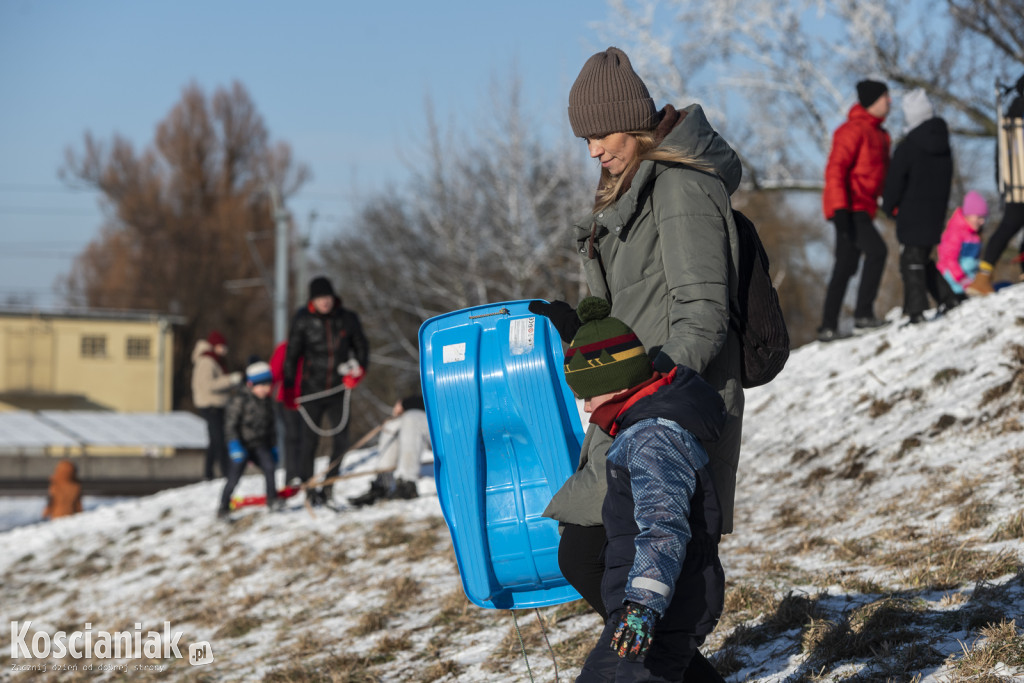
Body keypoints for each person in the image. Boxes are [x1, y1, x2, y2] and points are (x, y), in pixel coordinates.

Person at [531, 46, 744, 621]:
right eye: (585, 140)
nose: (594, 149)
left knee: (607, 565)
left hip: (666, 406)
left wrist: (640, 388)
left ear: (633, 121)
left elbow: (702, 312)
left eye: (602, 133)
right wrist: (586, 335)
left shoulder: (680, 188)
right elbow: (638, 302)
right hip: (633, 402)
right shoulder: (629, 189)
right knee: (606, 566)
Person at [563, 298, 726, 682]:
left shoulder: (652, 438)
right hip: (639, 604)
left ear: (615, 383)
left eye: (589, 394)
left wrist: (644, 606)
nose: (587, 408)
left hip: (664, 605)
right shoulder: (638, 431)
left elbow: (663, 528)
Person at [283, 276, 370, 507]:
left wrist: (358, 372)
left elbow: (362, 347)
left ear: (334, 297)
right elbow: (291, 355)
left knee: (342, 440)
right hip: (311, 390)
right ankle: (310, 489)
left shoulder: (347, 319)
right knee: (308, 442)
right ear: (313, 300)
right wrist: (289, 388)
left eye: (328, 297)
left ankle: (328, 486)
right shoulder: (302, 321)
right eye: (320, 298)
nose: (325, 302)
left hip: (339, 390)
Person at [818, 79, 892, 340]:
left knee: (846, 265)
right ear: (872, 100)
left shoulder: (881, 135)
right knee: (877, 251)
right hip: (849, 208)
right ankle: (861, 315)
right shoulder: (851, 131)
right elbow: (836, 169)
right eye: (885, 97)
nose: (889, 101)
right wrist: (839, 210)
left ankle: (828, 325)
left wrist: (892, 205)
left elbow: (883, 178)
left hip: (864, 207)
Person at [881, 88, 961, 324]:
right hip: (935, 210)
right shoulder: (943, 143)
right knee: (922, 258)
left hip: (912, 211)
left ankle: (916, 311)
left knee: (911, 261)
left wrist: (888, 204)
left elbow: (895, 180)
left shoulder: (908, 146)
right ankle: (948, 297)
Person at [972, 74, 1024, 294]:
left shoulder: (1010, 114)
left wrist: (1001, 182)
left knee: (1009, 225)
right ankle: (983, 277)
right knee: (1010, 225)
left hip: (1013, 182)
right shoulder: (1017, 114)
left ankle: (984, 275)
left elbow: (999, 155)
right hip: (1019, 181)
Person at [218, 361, 282, 518]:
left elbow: (271, 427)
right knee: (234, 476)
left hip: (260, 444)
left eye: (267, 386)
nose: (265, 390)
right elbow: (230, 425)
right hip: (241, 445)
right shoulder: (239, 400)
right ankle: (223, 506)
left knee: (269, 466)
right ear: (250, 384)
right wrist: (234, 444)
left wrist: (273, 446)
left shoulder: (267, 402)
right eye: (261, 386)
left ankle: (272, 499)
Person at [349, 395, 431, 507]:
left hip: (446, 423)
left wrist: (406, 403)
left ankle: (407, 483)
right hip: (426, 415)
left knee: (411, 418)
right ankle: (382, 483)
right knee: (391, 425)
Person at [191, 330, 242, 479]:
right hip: (210, 404)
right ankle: (226, 472)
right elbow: (209, 385)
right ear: (214, 346)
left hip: (217, 403)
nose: (224, 350)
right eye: (221, 346)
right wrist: (230, 380)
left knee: (215, 441)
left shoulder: (214, 360)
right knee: (219, 439)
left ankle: (209, 474)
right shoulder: (207, 361)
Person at [938, 191, 989, 298]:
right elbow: (949, 259)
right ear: (968, 215)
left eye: (983, 218)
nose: (982, 222)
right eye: (979, 217)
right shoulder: (955, 232)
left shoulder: (975, 234)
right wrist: (961, 279)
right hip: (953, 278)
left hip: (969, 277)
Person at [269, 340, 304, 485]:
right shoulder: (284, 348)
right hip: (287, 399)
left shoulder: (314, 346)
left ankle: (304, 474)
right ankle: (291, 476)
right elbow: (274, 373)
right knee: (292, 437)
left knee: (306, 439)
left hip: (310, 399)